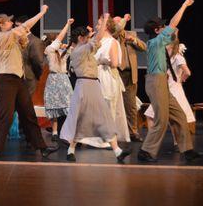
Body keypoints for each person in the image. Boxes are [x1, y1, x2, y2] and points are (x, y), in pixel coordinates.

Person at [60, 14, 131, 163]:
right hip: (84, 86)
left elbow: (93, 53)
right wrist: (104, 21)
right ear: (80, 38)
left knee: (103, 117)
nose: (89, 38)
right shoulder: (79, 50)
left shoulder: (84, 50)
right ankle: (70, 149)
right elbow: (97, 40)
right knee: (80, 119)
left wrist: (100, 60)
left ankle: (117, 151)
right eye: (86, 37)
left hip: (94, 85)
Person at [138, 0, 202, 162]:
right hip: (156, 82)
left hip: (162, 82)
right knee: (162, 118)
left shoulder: (159, 42)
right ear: (158, 30)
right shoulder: (155, 42)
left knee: (179, 115)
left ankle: (187, 150)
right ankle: (146, 151)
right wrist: (183, 6)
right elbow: (174, 24)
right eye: (163, 26)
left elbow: (173, 33)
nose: (166, 27)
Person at [0, 6, 57, 158]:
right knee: (6, 115)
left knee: (29, 114)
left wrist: (24, 38)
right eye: (8, 21)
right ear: (1, 25)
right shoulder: (2, 36)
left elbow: (24, 41)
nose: (12, 22)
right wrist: (42, 12)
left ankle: (41, 147)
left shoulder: (11, 37)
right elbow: (26, 26)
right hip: (5, 80)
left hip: (18, 80)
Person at [78, 16, 131, 148]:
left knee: (108, 108)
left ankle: (107, 139)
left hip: (106, 76)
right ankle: (91, 138)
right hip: (94, 76)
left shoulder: (112, 42)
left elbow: (114, 63)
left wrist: (101, 60)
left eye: (99, 24)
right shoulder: (96, 40)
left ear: (106, 27)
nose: (96, 26)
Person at [144, 34, 195, 151]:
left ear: (170, 44)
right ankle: (173, 142)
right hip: (166, 88)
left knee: (158, 115)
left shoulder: (178, 57)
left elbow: (188, 72)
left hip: (173, 89)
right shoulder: (169, 57)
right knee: (156, 115)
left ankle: (166, 141)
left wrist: (180, 80)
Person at [113, 14, 147, 142]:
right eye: (116, 22)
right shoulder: (112, 35)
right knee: (115, 104)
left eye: (119, 21)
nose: (119, 24)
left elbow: (144, 47)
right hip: (117, 73)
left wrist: (133, 40)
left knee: (131, 105)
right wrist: (124, 19)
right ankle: (115, 132)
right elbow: (117, 30)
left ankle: (133, 132)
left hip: (130, 74)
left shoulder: (130, 34)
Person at [43, 19, 74, 141]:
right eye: (57, 40)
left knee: (68, 106)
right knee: (54, 106)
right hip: (55, 79)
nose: (60, 42)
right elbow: (60, 38)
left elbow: (72, 48)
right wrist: (67, 24)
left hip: (63, 79)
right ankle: (55, 132)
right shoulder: (49, 50)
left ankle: (65, 131)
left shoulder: (61, 52)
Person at [14, 15, 46, 95]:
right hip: (14, 77)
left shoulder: (35, 41)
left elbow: (38, 62)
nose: (16, 29)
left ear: (28, 27)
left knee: (26, 104)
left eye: (19, 26)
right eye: (15, 26)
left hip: (28, 78)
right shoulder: (13, 40)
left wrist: (36, 76)